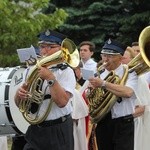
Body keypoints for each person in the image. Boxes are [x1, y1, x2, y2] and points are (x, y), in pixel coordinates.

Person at [14, 29, 76, 150]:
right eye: (42, 47)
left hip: (58, 129)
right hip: (35, 128)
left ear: (61, 49)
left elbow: (62, 102)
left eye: (50, 47)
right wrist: (19, 94)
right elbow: (19, 104)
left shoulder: (66, 71)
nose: (44, 51)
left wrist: (50, 78)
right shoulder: (31, 69)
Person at [88, 39, 138, 150]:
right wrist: (91, 91)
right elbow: (91, 98)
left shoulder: (130, 73)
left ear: (120, 58)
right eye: (103, 55)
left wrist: (103, 84)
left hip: (123, 123)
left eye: (110, 56)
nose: (105, 59)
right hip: (103, 121)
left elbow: (128, 92)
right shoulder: (99, 73)